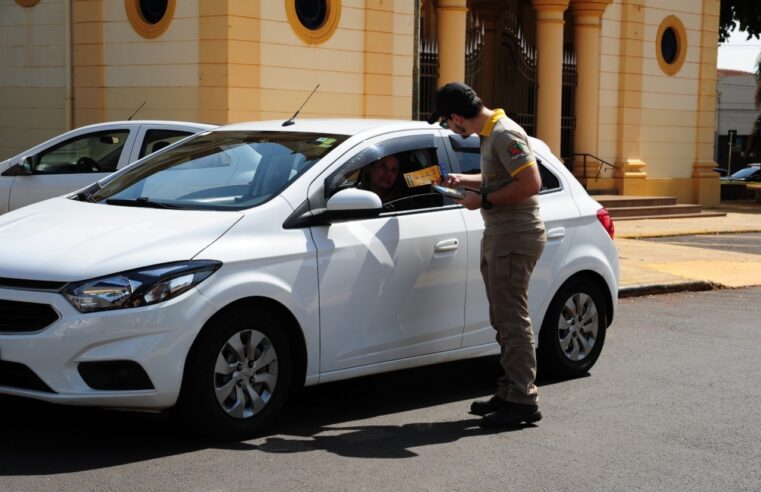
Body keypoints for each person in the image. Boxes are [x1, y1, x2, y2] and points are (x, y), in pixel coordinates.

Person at [429, 82, 546, 429]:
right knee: (503, 317)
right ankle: (510, 391)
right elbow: (501, 177)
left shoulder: (503, 133)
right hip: (501, 234)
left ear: (456, 117)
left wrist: (483, 200)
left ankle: (523, 400)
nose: (451, 129)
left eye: (448, 123)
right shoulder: (490, 133)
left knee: (512, 319)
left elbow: (531, 183)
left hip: (514, 235)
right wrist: (464, 180)